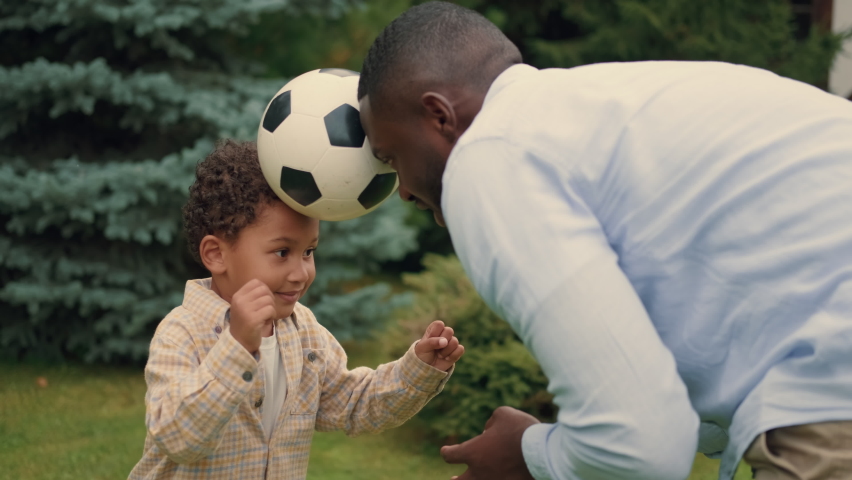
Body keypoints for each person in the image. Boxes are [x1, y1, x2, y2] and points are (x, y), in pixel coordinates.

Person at [357, 2, 852, 480]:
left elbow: (643, 447)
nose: (401, 190)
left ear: (439, 117)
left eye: (392, 156)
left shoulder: (490, 155)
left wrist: (529, 455)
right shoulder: (602, 109)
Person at [128, 139, 464, 480]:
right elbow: (178, 439)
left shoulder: (303, 330)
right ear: (216, 254)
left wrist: (418, 371)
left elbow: (351, 404)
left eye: (308, 251)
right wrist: (236, 347)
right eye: (281, 252)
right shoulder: (182, 332)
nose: (302, 273)